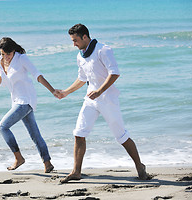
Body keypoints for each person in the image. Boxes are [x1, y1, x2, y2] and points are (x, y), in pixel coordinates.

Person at [55, 24, 149, 183]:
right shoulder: (80, 55)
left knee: (121, 136)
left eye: (75, 40)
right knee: (79, 133)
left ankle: (140, 166)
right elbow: (82, 79)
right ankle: (76, 172)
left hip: (108, 100)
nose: (74, 44)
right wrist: (66, 92)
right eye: (72, 41)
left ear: (85, 37)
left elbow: (115, 73)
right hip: (90, 100)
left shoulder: (103, 50)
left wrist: (100, 91)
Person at [0, 37, 55, 173]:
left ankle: (18, 158)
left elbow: (37, 75)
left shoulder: (22, 59)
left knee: (3, 127)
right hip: (16, 100)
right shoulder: (0, 61)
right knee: (35, 135)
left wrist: (52, 90)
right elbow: (3, 83)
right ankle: (47, 163)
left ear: (13, 51)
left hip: (26, 100)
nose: (6, 57)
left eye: (8, 54)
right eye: (3, 54)